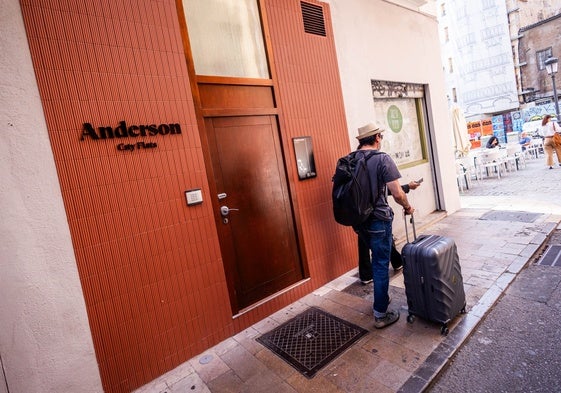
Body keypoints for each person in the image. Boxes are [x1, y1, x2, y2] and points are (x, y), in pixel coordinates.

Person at [353, 122, 414, 329]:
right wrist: (407, 206)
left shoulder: (351, 159)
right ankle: (380, 313)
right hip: (378, 219)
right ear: (377, 137)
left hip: (359, 222)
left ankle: (381, 298)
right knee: (380, 265)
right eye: (380, 136)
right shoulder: (382, 158)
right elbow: (397, 193)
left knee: (377, 259)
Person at [358, 180, 421, 284]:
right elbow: (392, 191)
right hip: (376, 213)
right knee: (382, 249)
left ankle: (366, 274)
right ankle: (381, 297)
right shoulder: (375, 164)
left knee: (364, 238)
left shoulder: (351, 166)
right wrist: (407, 188)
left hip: (356, 212)